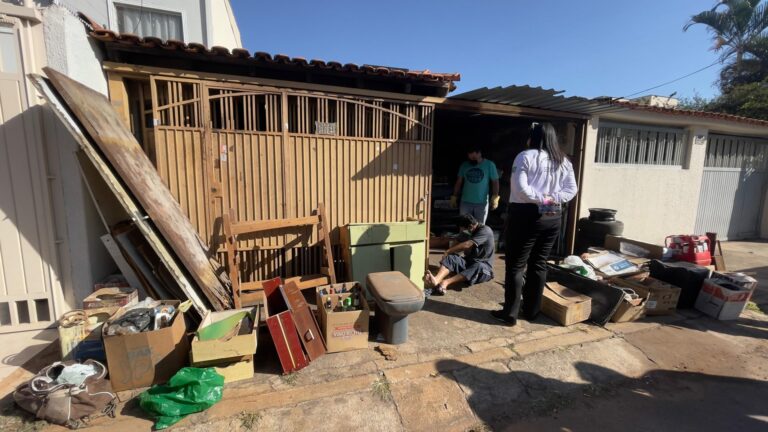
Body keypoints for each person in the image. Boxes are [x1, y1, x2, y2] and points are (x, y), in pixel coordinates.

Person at [491, 123, 578, 326]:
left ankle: (510, 314)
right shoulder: (562, 160)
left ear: (534, 137)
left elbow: (520, 189)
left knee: (516, 265)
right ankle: (532, 312)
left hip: (526, 215)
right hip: (552, 215)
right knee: (539, 264)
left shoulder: (526, 156)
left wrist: (541, 198)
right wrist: (551, 199)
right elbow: (571, 190)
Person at [424, 214, 495, 295]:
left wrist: (448, 251)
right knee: (451, 258)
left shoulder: (485, 230)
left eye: (463, 229)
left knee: (479, 266)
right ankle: (436, 280)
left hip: (484, 269)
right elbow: (456, 242)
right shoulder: (467, 231)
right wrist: (447, 259)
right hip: (468, 263)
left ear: (471, 226)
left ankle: (445, 282)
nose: (462, 232)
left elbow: (468, 244)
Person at [451, 146, 500, 224]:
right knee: (464, 227)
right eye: (470, 156)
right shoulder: (464, 165)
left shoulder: (489, 165)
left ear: (480, 153)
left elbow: (495, 182)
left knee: (480, 227)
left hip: (482, 203)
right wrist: (454, 196)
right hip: (465, 202)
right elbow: (459, 182)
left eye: (475, 156)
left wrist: (495, 197)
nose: (472, 158)